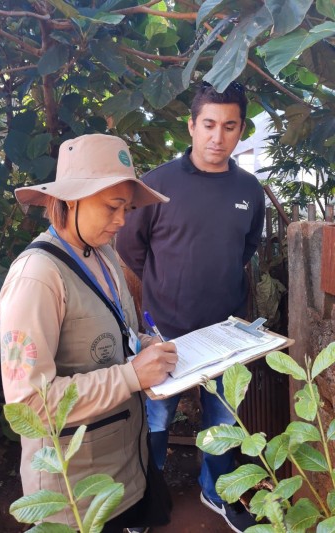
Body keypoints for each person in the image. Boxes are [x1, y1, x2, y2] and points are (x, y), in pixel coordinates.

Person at [0, 133, 178, 533]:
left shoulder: (105, 254)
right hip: (76, 494)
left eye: (127, 208)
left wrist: (149, 347)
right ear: (71, 200)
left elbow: (121, 332)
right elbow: (28, 406)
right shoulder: (37, 278)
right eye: (113, 207)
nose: (122, 221)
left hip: (126, 466)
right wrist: (132, 376)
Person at [116, 81, 266, 533]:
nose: (217, 137)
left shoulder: (249, 189)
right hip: (166, 334)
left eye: (229, 126)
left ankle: (215, 491)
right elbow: (131, 249)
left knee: (223, 420)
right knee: (155, 419)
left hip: (225, 336)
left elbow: (245, 248)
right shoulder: (157, 186)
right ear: (191, 125)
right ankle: (147, 498)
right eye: (208, 125)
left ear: (240, 130)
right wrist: (168, 288)